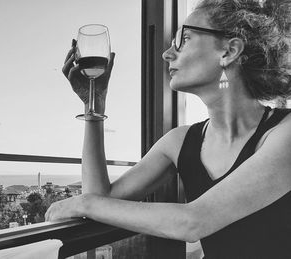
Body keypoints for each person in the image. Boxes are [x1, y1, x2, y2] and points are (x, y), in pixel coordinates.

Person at [45, 0, 291, 257]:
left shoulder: (285, 132)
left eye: (183, 40)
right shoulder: (179, 142)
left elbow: (194, 222)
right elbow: (102, 198)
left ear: (229, 51)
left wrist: (84, 203)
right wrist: (93, 103)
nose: (167, 54)